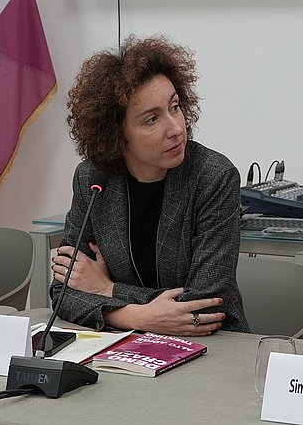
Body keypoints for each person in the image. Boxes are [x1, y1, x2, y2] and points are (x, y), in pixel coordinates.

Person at [48, 35, 247, 334]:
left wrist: (107, 288)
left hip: (211, 345)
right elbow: (62, 292)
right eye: (152, 119)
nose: (176, 128)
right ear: (117, 133)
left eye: (175, 107)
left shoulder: (213, 177)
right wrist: (133, 318)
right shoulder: (93, 179)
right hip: (122, 341)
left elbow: (205, 306)